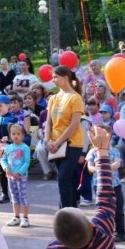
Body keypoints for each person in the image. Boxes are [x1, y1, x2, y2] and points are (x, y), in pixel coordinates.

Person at [45, 65, 85, 208]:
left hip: (72, 143)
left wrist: (57, 142)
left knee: (63, 178)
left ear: (65, 78)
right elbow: (48, 123)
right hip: (55, 144)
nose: (53, 80)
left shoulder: (75, 98)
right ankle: (71, 210)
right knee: (65, 180)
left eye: (55, 77)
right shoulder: (53, 98)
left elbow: (74, 124)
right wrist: (47, 141)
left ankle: (66, 212)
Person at [86, 140, 125, 243]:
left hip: (115, 185)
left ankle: (121, 233)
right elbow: (90, 167)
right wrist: (98, 169)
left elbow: (117, 163)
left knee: (118, 210)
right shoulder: (92, 151)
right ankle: (105, 232)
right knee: (102, 210)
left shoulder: (114, 151)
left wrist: (105, 168)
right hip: (98, 185)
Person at [1, 124, 31, 228]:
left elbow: (27, 162)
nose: (16, 136)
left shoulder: (25, 148)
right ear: (10, 135)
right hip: (11, 176)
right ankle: (16, 216)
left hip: (21, 177)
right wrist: (6, 168)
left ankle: (25, 218)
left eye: (18, 134)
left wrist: (19, 173)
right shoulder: (8, 148)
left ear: (23, 135)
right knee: (14, 196)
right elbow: (3, 159)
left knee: (23, 196)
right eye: (13, 134)